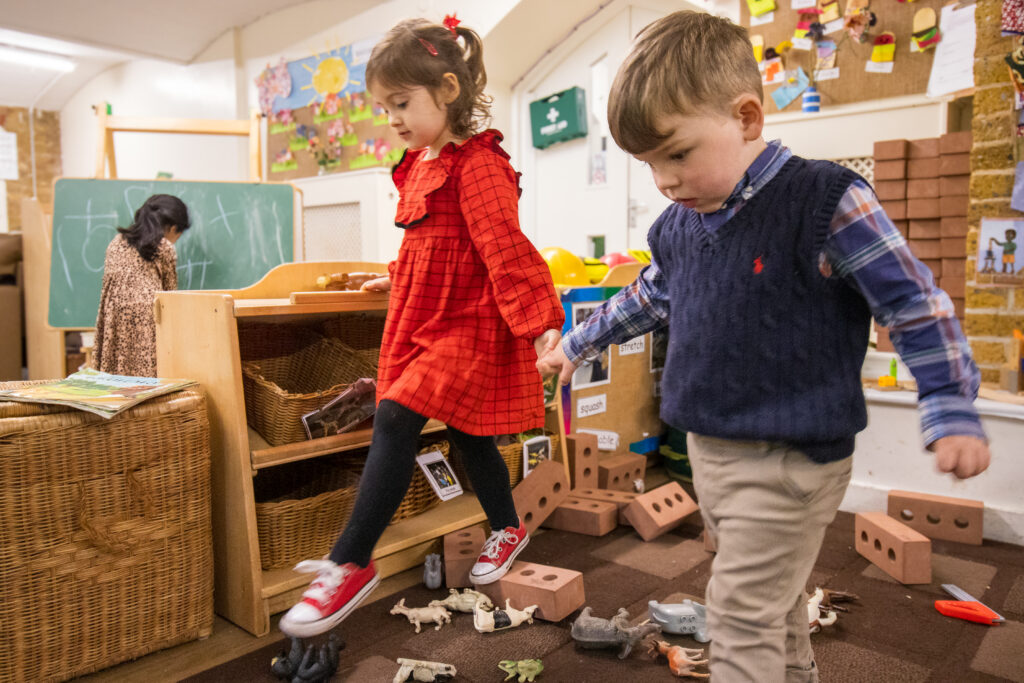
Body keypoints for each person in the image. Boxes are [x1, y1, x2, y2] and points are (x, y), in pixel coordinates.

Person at [537, 11, 990, 682]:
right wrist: (576, 343)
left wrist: (949, 402)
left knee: (738, 611)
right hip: (711, 453)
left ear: (747, 118)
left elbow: (913, 301)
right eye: (649, 164)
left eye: (677, 153)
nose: (663, 180)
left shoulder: (826, 201)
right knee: (769, 602)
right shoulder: (679, 225)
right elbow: (648, 298)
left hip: (792, 457)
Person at [279, 17, 564, 638]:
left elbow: (503, 248)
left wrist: (542, 320)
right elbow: (432, 242)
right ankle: (508, 527)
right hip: (422, 315)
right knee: (468, 436)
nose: (394, 120)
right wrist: (393, 275)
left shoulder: (479, 164)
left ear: (449, 91)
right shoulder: (418, 164)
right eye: (385, 109)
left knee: (397, 414)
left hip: (467, 321)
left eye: (402, 103)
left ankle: (349, 563)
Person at [93, 194, 190, 376]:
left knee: (118, 373)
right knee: (146, 378)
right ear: (173, 228)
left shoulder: (117, 241)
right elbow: (170, 295)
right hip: (148, 316)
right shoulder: (164, 247)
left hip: (114, 314)